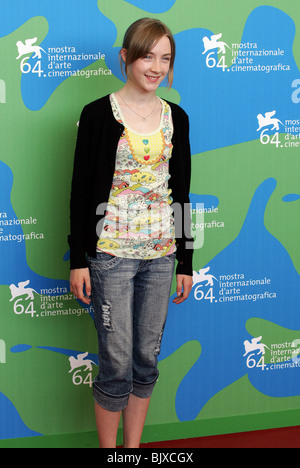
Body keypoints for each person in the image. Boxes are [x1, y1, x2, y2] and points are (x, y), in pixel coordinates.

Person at [68, 17, 193, 448]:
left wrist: (186, 260)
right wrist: (78, 259)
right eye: (147, 56)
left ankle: (132, 451)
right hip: (110, 256)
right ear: (126, 57)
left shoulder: (177, 116)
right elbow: (80, 192)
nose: (156, 67)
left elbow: (183, 193)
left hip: (161, 256)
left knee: (146, 358)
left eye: (166, 58)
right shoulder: (98, 115)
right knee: (116, 362)